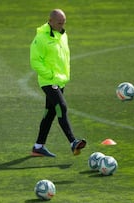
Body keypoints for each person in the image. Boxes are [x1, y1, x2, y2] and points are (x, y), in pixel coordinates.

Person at [29, 9, 86, 157]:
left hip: (60, 81)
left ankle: (38, 146)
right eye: (59, 23)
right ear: (51, 21)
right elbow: (35, 62)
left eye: (64, 23)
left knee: (50, 113)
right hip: (49, 81)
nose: (62, 26)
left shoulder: (63, 35)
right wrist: (51, 75)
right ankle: (73, 142)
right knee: (61, 107)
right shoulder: (41, 38)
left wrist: (62, 77)